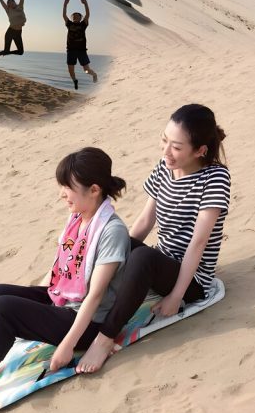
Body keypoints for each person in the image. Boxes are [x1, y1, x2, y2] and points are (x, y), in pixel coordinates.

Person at [0, 147, 129, 412]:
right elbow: (59, 268)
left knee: (5, 309)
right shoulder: (78, 217)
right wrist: (36, 301)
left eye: (68, 187)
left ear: (94, 189)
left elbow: (96, 295)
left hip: (86, 324)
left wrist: (67, 346)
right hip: (62, 300)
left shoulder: (112, 231)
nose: (61, 193)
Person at [76, 104, 230, 373]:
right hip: (161, 261)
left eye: (177, 147)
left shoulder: (215, 179)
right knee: (119, 239)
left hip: (191, 278)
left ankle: (104, 339)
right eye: (164, 141)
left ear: (200, 150)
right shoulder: (164, 167)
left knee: (143, 257)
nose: (166, 152)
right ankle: (81, 297)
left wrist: (176, 296)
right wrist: (121, 249)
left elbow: (198, 242)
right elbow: (147, 220)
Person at [62, 0, 98, 90]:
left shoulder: (83, 24)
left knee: (86, 70)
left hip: (81, 50)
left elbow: (87, 14)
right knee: (70, 70)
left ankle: (94, 74)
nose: (75, 17)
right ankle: (75, 80)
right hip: (71, 50)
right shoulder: (69, 24)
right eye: (73, 16)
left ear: (80, 18)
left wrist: (85, 4)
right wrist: (65, 4)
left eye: (77, 16)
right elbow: (64, 15)